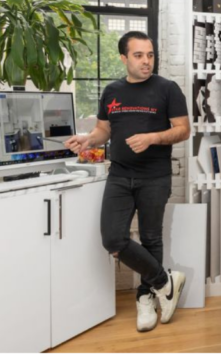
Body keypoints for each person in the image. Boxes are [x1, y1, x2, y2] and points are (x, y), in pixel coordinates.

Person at [63, 31, 189, 334]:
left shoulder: (168, 89)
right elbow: (104, 130)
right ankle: (164, 283)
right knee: (113, 239)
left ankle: (145, 297)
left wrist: (152, 138)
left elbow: (183, 130)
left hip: (155, 176)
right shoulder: (112, 91)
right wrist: (88, 139)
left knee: (151, 238)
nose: (146, 61)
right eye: (138, 55)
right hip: (119, 175)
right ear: (123, 58)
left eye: (150, 55)